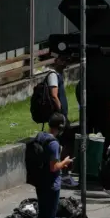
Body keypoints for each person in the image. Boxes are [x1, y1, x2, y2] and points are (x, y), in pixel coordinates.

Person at [35, 113, 73, 218]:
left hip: (40, 180)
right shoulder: (54, 143)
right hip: (51, 184)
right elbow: (54, 167)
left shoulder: (40, 136)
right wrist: (65, 162)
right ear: (60, 128)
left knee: (42, 215)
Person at [47, 55, 77, 187]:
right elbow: (54, 95)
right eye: (63, 60)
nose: (65, 63)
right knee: (67, 141)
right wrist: (60, 113)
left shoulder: (58, 75)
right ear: (56, 60)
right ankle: (63, 173)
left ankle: (63, 171)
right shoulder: (53, 75)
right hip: (59, 116)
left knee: (65, 142)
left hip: (61, 115)